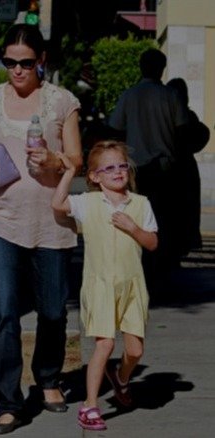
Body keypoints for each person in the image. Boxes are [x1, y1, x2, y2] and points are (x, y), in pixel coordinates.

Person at [0, 24, 83, 434]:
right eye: (10, 63)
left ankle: (47, 378)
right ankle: (8, 401)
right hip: (1, 219)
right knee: (4, 312)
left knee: (53, 310)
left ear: (40, 61)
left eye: (26, 63)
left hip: (52, 221)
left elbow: (77, 158)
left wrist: (57, 162)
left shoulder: (62, 102)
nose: (18, 70)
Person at [51, 141, 157, 430]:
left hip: (133, 286)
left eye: (122, 165)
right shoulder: (87, 202)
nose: (118, 172)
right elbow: (58, 204)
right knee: (105, 344)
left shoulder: (141, 204)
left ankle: (121, 379)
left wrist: (133, 228)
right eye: (109, 167)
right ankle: (90, 406)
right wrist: (70, 171)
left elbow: (152, 242)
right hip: (100, 286)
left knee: (135, 351)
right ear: (95, 176)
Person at [108, 49, 189, 278]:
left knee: (137, 218)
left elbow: (115, 128)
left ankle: (140, 265)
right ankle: (161, 266)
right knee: (162, 220)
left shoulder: (130, 95)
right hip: (165, 168)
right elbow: (182, 130)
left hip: (137, 169)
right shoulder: (171, 96)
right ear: (161, 69)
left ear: (141, 67)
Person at [166, 78, 210, 255]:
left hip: (174, 167)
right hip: (183, 167)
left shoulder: (180, 116)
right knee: (184, 209)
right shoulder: (187, 117)